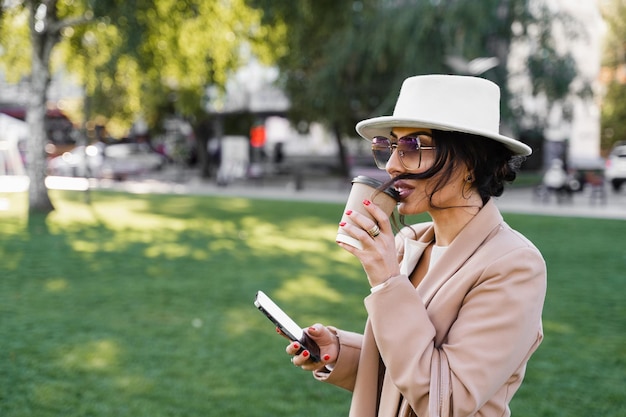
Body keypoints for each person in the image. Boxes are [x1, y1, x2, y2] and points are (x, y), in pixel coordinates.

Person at [283, 75, 547, 417]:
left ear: (470, 162)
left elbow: (447, 400)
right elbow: (407, 367)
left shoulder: (514, 265)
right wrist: (338, 350)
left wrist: (387, 280)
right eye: (390, 146)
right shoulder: (411, 242)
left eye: (413, 147)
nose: (392, 165)